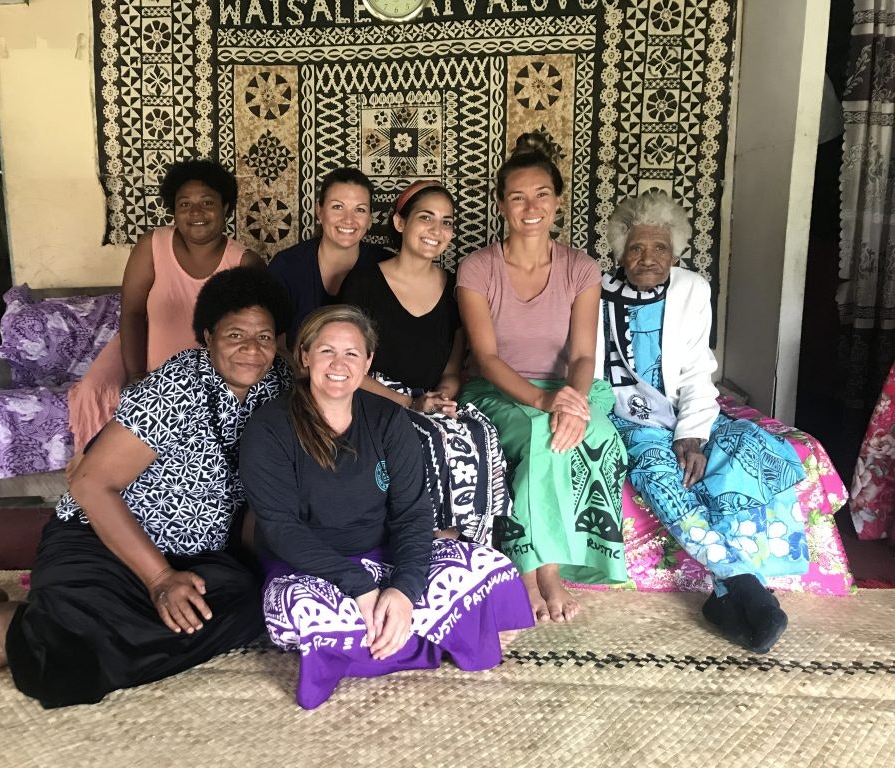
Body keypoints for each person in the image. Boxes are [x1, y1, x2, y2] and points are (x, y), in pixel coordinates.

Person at [0, 268, 294, 708]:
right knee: (64, 672)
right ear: (207, 335)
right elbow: (90, 484)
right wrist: (159, 578)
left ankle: (46, 626)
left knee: (257, 607)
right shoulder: (177, 386)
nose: (252, 349)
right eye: (236, 335)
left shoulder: (276, 387)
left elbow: (341, 387)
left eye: (265, 337)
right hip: (103, 542)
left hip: (200, 555)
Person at [238, 305, 534, 710]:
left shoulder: (388, 419)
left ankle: (396, 635)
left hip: (384, 554)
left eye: (352, 354)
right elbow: (279, 528)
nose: (339, 364)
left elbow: (413, 512)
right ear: (305, 356)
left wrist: (404, 590)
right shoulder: (269, 427)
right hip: (308, 566)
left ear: (368, 363)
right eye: (326, 351)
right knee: (310, 616)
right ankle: (440, 639)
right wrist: (359, 587)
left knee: (488, 566)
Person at [599, 190, 807, 653]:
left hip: (685, 411)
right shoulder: (595, 292)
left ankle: (726, 595)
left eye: (660, 248)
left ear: (675, 252)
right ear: (620, 251)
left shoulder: (692, 288)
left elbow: (696, 368)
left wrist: (692, 434)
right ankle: (741, 582)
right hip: (631, 417)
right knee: (657, 473)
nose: (648, 258)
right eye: (636, 247)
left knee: (748, 449)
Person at [457, 132, 628, 624]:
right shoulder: (478, 268)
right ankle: (537, 569)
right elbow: (486, 357)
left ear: (558, 201)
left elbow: (581, 352)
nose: (530, 207)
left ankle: (572, 560)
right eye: (517, 197)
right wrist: (545, 403)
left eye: (542, 195)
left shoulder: (581, 268)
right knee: (537, 431)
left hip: (569, 385)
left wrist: (572, 400)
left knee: (596, 431)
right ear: (501, 205)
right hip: (498, 388)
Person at [339, 179, 512, 544]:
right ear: (400, 224)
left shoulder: (455, 288)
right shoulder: (364, 282)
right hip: (374, 397)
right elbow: (348, 367)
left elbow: (452, 369)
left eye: (447, 222)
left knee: (478, 432)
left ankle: (474, 544)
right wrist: (409, 403)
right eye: (426, 218)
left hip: (426, 397)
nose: (437, 230)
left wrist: (443, 398)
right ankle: (426, 540)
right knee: (429, 437)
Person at [69, 159, 263, 454]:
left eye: (207, 202)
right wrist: (136, 374)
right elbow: (133, 312)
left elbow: (249, 334)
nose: (195, 212)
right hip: (141, 346)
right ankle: (97, 473)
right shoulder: (152, 245)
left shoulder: (244, 262)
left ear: (225, 208)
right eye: (184, 204)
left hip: (203, 363)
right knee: (92, 391)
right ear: (173, 210)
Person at [268, 167, 390, 350]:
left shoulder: (386, 265)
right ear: (319, 210)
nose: (348, 219)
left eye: (360, 209)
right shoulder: (286, 266)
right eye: (337, 207)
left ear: (369, 218)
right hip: (299, 374)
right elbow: (272, 342)